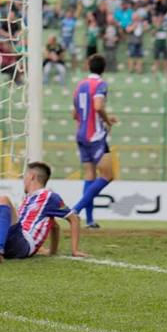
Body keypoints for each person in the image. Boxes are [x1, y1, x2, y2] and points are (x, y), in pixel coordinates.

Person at [71, 54, 117, 229]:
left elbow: (75, 114)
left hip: (81, 135)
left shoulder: (80, 85)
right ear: (103, 69)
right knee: (108, 175)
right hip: (95, 136)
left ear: (88, 66)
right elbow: (98, 106)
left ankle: (89, 221)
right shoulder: (100, 84)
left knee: (90, 175)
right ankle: (76, 209)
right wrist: (105, 120)